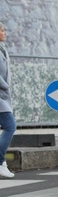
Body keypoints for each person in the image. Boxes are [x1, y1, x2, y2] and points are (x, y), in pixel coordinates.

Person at [0, 22, 16, 178]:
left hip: (3, 95)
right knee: (10, 126)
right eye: (2, 30)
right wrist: (5, 86)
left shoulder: (2, 49)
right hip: (0, 96)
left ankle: (2, 161)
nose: (5, 33)